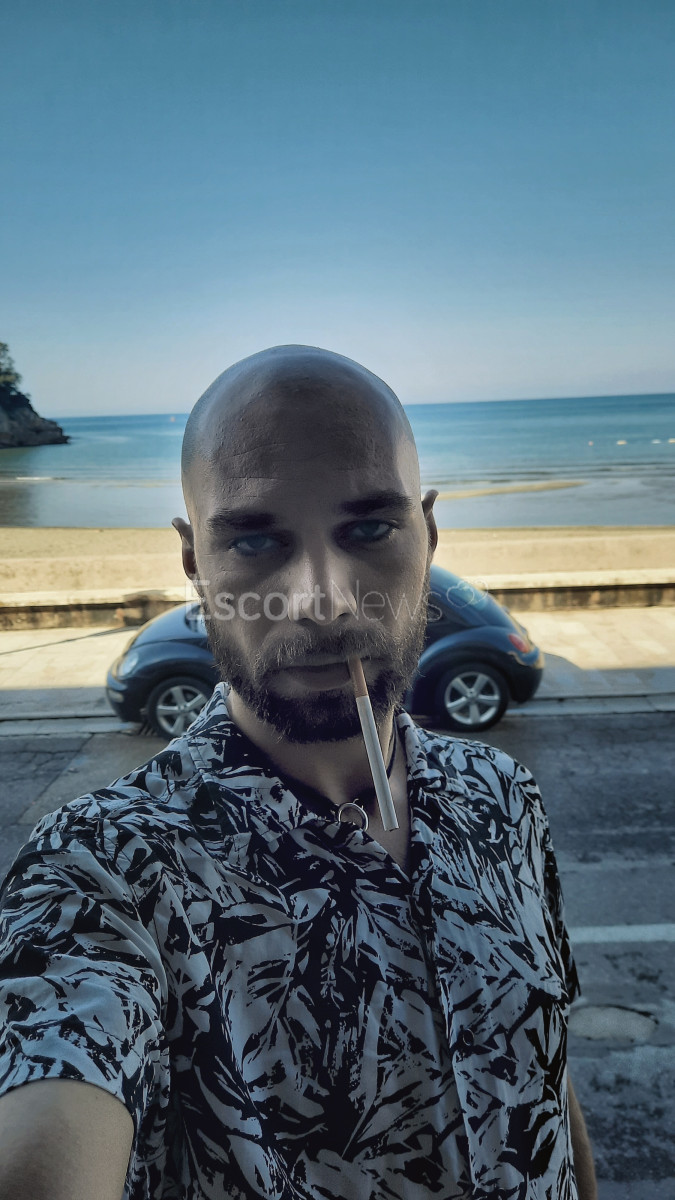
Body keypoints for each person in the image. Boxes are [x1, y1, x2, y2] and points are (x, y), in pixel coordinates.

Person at [0, 346, 597, 1200]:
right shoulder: (104, 871)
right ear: (194, 562)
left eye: (369, 529)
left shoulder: (503, 797)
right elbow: (48, 1113)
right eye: (253, 539)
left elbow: (547, 1077)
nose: (324, 600)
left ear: (428, 534)